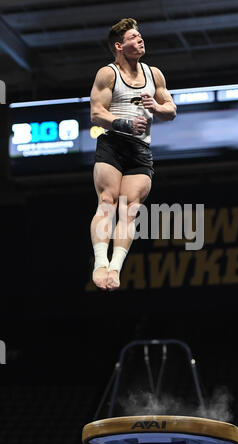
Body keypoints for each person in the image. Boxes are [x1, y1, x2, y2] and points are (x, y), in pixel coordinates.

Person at [90, 18, 176, 291]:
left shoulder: (154, 75)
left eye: (140, 36)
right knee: (107, 201)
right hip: (113, 144)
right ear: (119, 46)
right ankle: (100, 262)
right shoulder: (108, 74)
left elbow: (171, 110)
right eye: (133, 37)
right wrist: (124, 123)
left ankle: (115, 268)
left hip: (140, 150)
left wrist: (156, 107)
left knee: (130, 209)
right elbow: (96, 114)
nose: (140, 40)